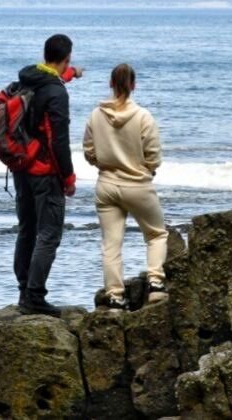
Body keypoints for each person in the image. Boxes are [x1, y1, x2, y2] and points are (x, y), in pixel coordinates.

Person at [83, 63, 168, 310]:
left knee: (111, 243)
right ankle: (155, 284)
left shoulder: (95, 115)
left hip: (106, 184)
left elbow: (89, 152)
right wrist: (146, 169)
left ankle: (115, 296)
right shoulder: (143, 116)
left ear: (111, 84)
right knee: (156, 234)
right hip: (137, 184)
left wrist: (104, 163)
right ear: (133, 85)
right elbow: (153, 155)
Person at [12, 33, 81, 317]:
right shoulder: (56, 93)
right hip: (44, 171)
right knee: (49, 234)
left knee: (27, 229)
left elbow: (51, 81)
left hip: (21, 167)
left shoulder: (27, 80)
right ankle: (35, 296)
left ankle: (23, 290)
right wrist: (68, 177)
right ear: (66, 58)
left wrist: (71, 74)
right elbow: (57, 140)